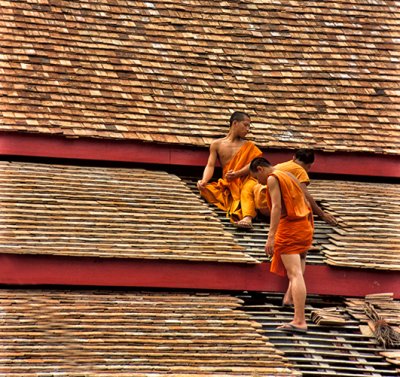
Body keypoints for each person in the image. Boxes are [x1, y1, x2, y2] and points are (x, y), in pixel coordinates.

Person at [250, 156, 314, 333]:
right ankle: (290, 301)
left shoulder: (272, 178)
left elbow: (277, 207)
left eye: (256, 178)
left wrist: (271, 237)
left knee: (294, 274)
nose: (259, 182)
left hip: (290, 228)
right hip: (304, 226)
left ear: (260, 169)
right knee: (298, 270)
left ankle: (300, 320)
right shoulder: (289, 175)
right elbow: (306, 201)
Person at [197, 111, 262, 228]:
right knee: (204, 189)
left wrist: (237, 173)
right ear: (235, 123)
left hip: (246, 178)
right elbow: (210, 165)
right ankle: (236, 208)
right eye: (245, 125)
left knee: (247, 190)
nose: (248, 129)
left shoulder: (249, 146)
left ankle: (248, 217)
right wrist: (204, 180)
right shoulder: (217, 144)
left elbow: (253, 164)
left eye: (249, 126)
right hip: (229, 182)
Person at [253, 149, 338, 226]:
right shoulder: (300, 170)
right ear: (309, 166)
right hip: (269, 207)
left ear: (293, 158)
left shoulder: (285, 165)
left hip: (260, 205)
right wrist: (322, 214)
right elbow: (305, 194)